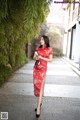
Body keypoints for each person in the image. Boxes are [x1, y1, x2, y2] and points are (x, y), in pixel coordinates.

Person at [33, 35, 53, 118]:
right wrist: (37, 58)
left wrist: (42, 58)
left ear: (45, 40)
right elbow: (34, 57)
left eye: (42, 39)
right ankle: (40, 102)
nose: (40, 40)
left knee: (40, 87)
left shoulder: (49, 49)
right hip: (36, 69)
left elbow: (51, 60)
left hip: (43, 70)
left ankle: (38, 108)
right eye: (40, 39)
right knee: (37, 87)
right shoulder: (38, 48)